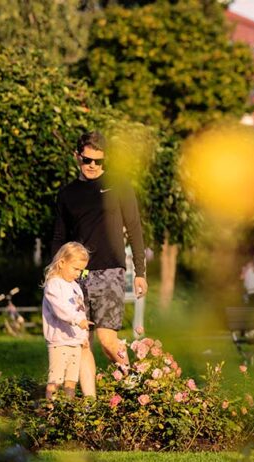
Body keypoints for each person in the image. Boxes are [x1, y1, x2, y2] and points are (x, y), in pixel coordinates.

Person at [51, 131, 148, 396]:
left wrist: (140, 272)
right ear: (77, 157)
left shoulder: (119, 186)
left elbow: (135, 229)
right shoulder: (67, 194)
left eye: (99, 161)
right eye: (87, 160)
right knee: (81, 341)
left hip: (110, 271)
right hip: (75, 276)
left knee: (107, 340)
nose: (92, 165)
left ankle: (137, 387)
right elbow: (59, 236)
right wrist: (55, 274)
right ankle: (90, 404)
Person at [42, 242, 93, 399]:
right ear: (62, 263)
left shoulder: (75, 286)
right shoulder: (54, 284)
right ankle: (50, 408)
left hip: (75, 341)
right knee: (55, 380)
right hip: (59, 341)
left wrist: (83, 336)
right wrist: (77, 320)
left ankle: (67, 409)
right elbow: (61, 309)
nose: (78, 274)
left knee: (71, 381)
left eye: (81, 270)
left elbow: (80, 310)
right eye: (75, 269)